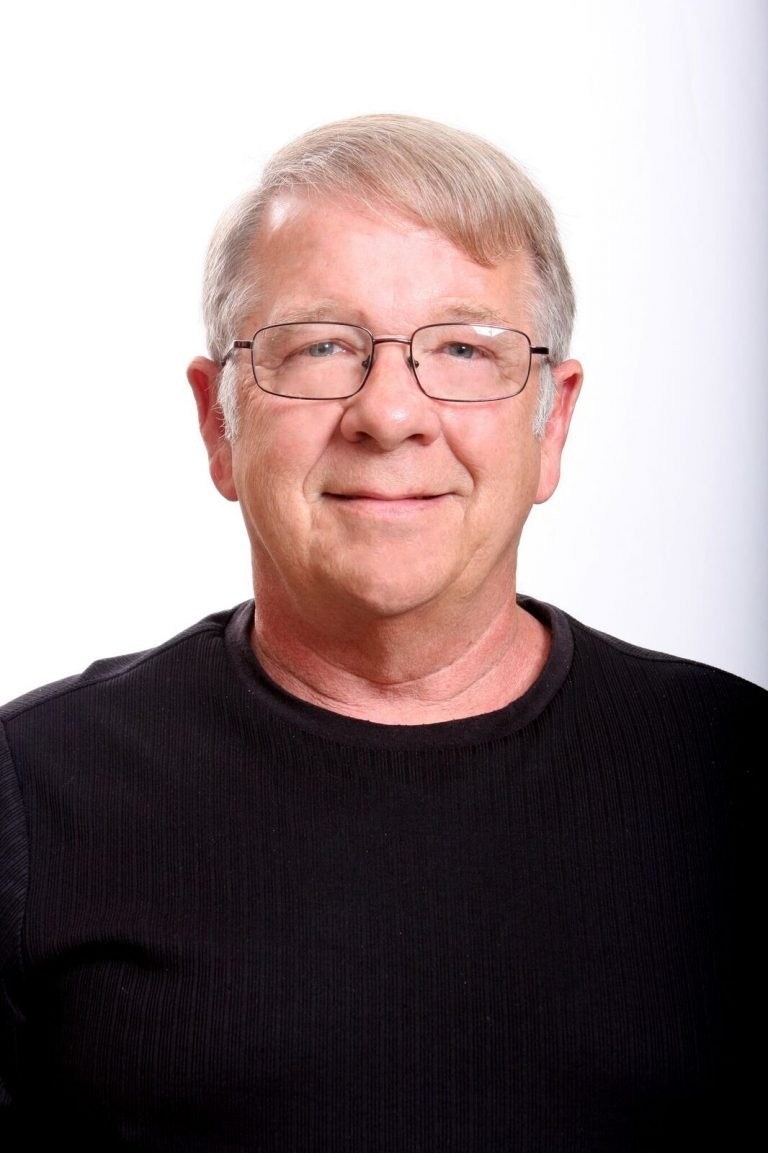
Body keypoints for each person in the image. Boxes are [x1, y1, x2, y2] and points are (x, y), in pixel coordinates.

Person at [0, 114, 763, 1151]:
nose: (390, 413)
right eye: (320, 346)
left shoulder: (732, 772)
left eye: (462, 347)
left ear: (554, 422)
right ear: (219, 422)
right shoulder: (33, 792)